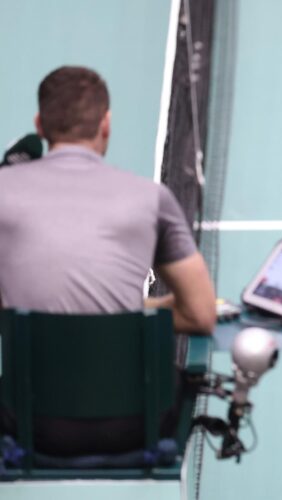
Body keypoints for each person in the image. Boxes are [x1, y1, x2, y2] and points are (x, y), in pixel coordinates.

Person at [0, 65, 217, 454]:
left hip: (27, 424)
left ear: (40, 124)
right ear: (106, 124)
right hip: (135, 423)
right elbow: (201, 314)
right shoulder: (150, 199)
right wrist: (133, 311)